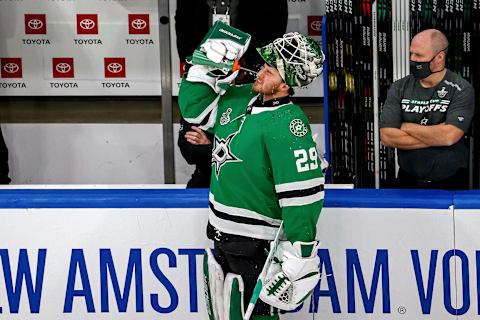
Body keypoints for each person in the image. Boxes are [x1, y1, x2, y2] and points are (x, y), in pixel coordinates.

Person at [179, 22, 324, 319]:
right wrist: (206, 67)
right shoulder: (238, 97)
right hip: (221, 232)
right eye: (263, 66)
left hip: (256, 242)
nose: (260, 72)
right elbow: (193, 109)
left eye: (270, 71)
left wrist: (301, 252)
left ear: (286, 84)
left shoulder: (289, 124)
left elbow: (303, 196)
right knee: (224, 312)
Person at [380, 29, 475, 190]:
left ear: (439, 57)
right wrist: (436, 136)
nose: (412, 59)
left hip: (450, 184)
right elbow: (387, 137)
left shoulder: (460, 89)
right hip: (407, 183)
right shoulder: (399, 87)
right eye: (411, 54)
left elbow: (449, 137)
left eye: (419, 56)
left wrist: (406, 127)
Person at [178, 118, 214, 188]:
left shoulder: (237, 110)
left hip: (232, 181)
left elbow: (238, 154)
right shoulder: (192, 109)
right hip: (203, 179)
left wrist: (209, 146)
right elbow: (189, 155)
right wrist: (209, 148)